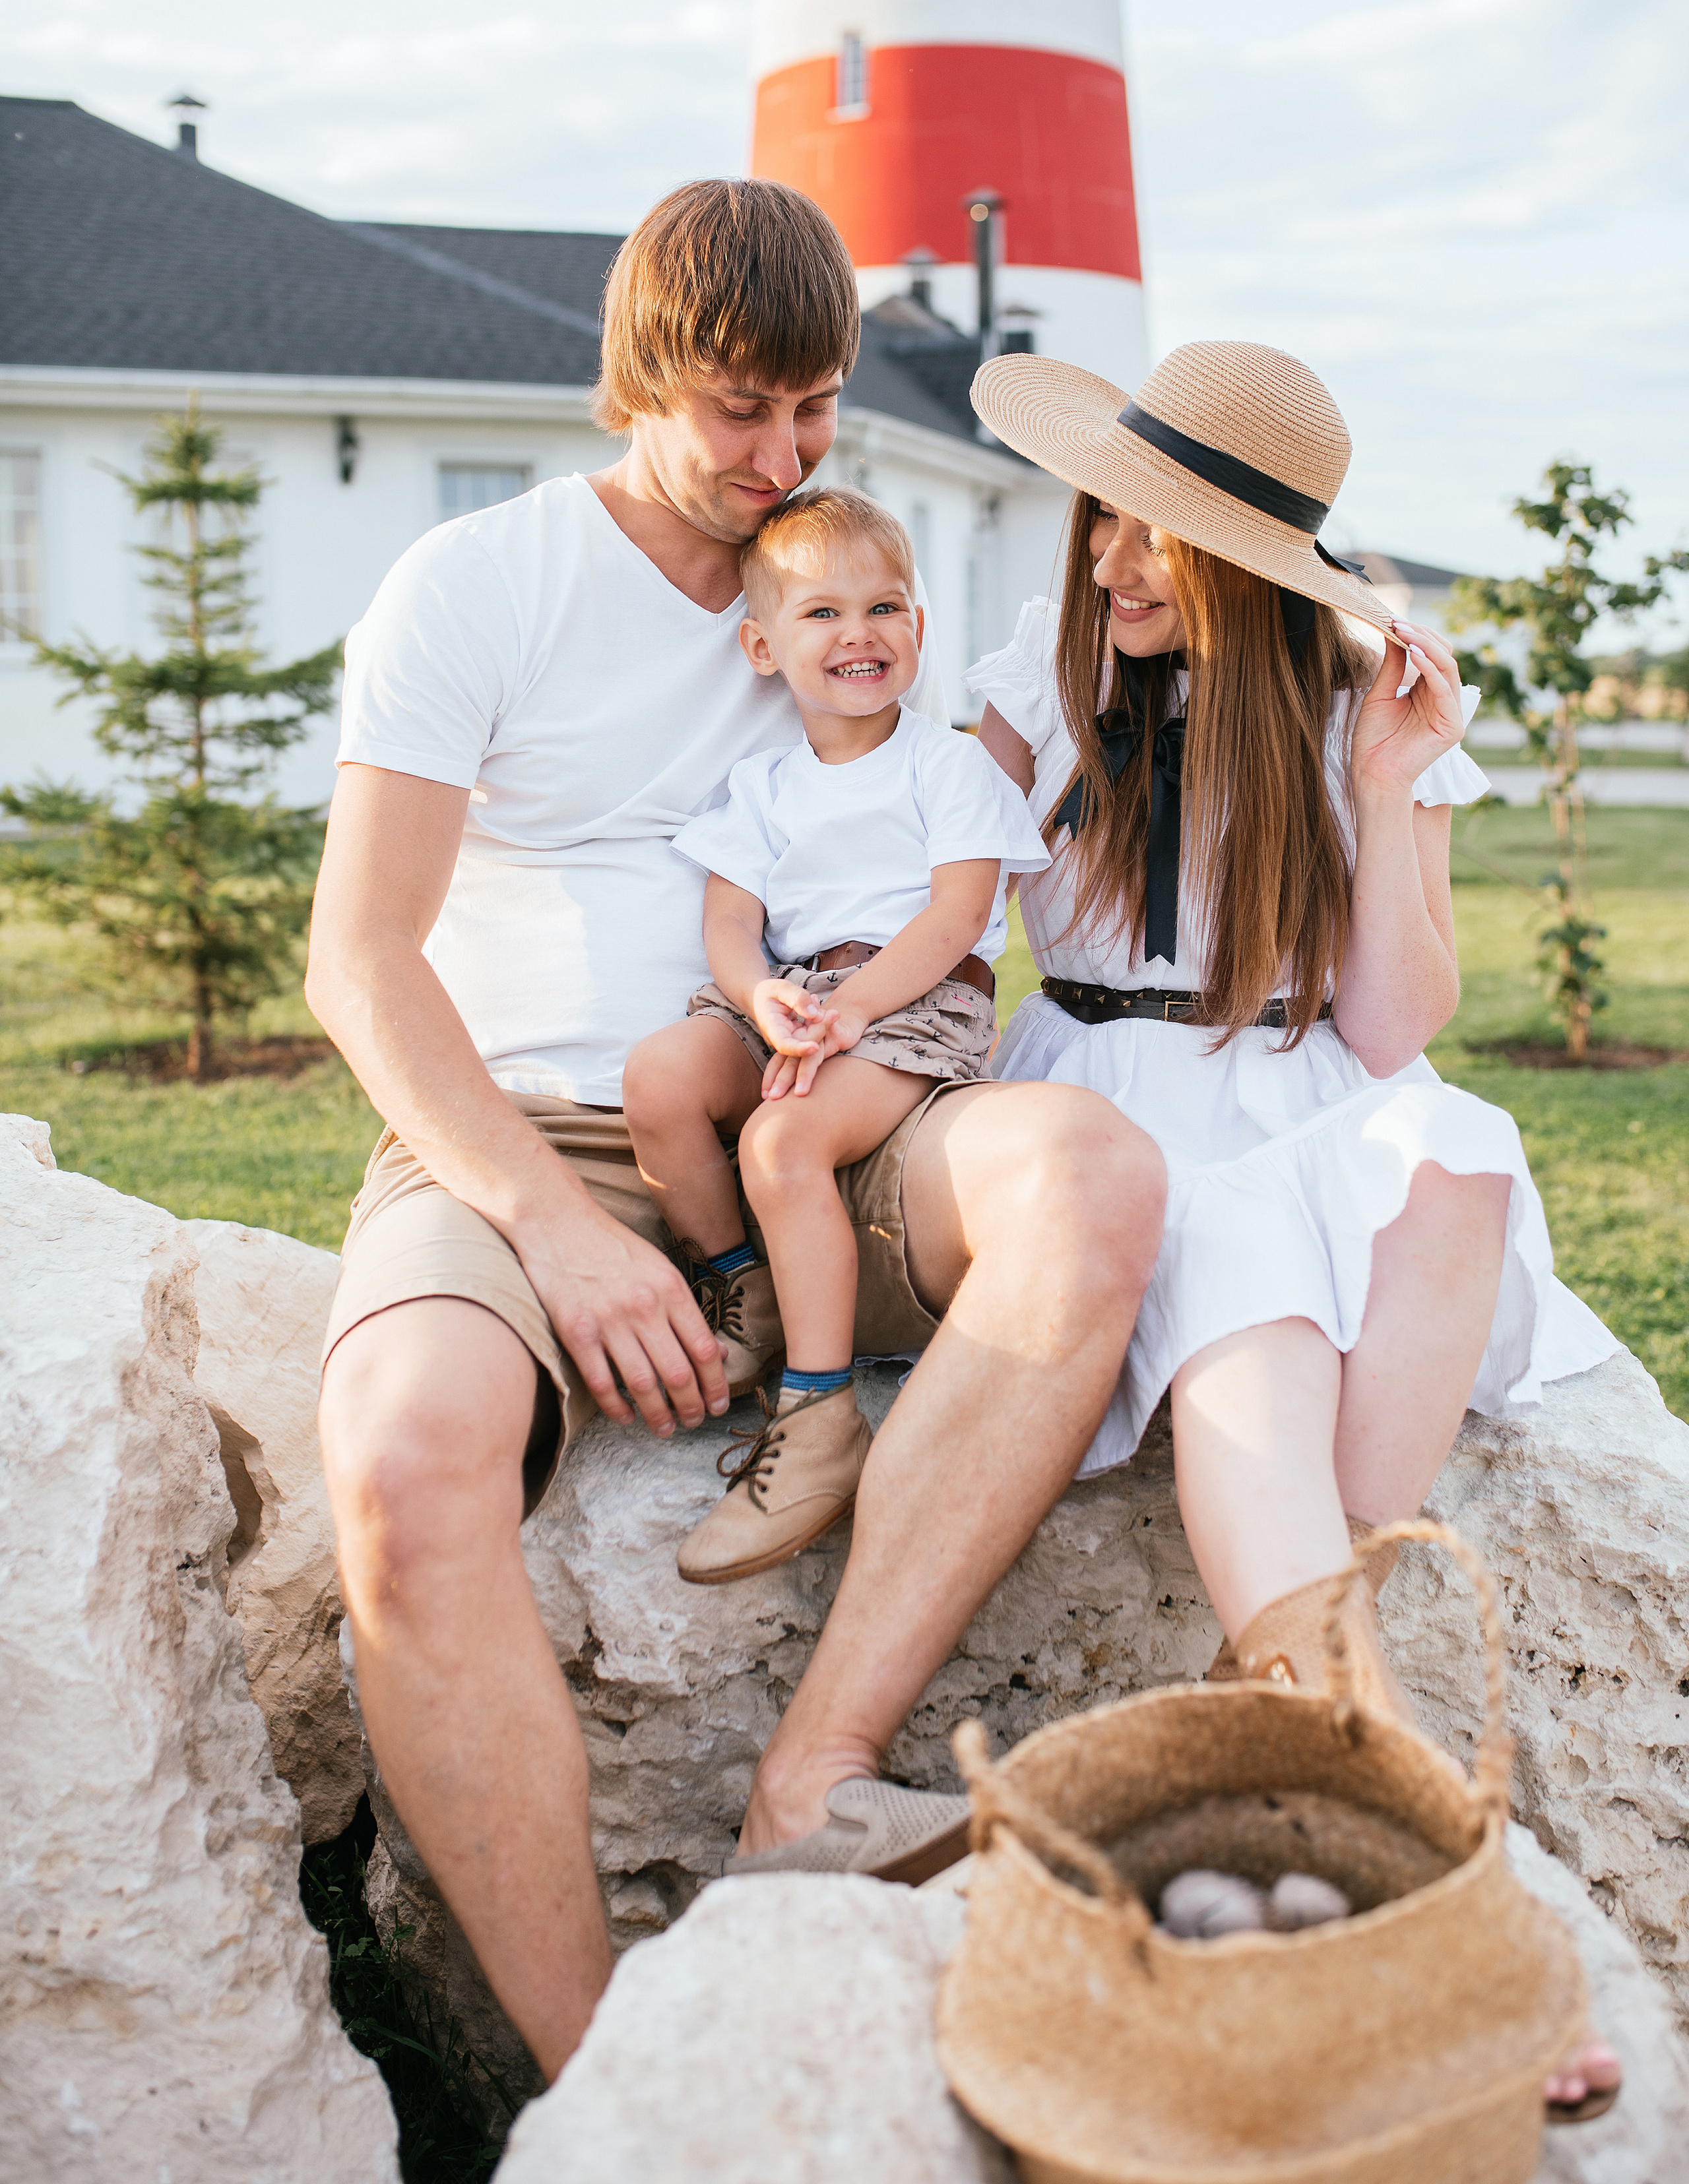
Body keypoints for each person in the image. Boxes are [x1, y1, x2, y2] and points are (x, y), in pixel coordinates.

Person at [305, 177, 1166, 2084]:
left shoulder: (839, 586)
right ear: (639, 380)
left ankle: (819, 1772)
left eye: (815, 410)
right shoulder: (481, 585)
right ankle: (603, 2082)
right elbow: (359, 967)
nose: (778, 458)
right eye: (739, 412)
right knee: (399, 1456)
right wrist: (552, 1227)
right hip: (523, 1123)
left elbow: (1087, 684)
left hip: (841, 1096)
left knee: (1093, 1178)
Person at [967, 339, 1622, 2121]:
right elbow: (922, 899)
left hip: (1296, 1084)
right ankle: (1432, 1867)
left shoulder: (1343, 699)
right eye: (1107, 518)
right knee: (1254, 1284)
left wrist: (1399, 781)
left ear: (1253, 570)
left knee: (1462, 1153)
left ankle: (1284, 1654)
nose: (1113, 562)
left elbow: (1396, 1027)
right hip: (1107, 1103)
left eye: (1160, 541)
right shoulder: (1032, 673)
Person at [622, 487, 1050, 1584]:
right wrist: (763, 997)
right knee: (662, 1080)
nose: (858, 633)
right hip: (792, 997)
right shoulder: (761, 784)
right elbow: (728, 921)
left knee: (781, 1143)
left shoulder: (947, 767)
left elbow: (958, 916)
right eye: (821, 615)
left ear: (918, 629)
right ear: (762, 646)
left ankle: (818, 1416)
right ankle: (744, 1287)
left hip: (911, 1002)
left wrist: (852, 1012)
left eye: (884, 607)